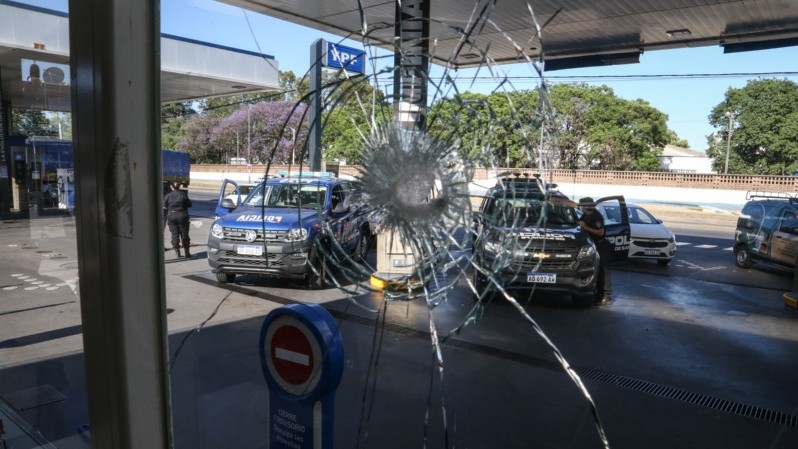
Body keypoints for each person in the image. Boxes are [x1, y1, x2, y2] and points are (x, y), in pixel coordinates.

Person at [577, 197, 613, 305]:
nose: (581, 208)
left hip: (601, 245)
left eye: (582, 206)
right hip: (593, 246)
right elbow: (580, 223)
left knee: (604, 271)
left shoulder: (596, 216)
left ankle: (606, 296)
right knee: (595, 270)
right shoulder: (585, 215)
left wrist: (585, 227)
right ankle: (598, 294)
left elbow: (600, 232)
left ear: (586, 206)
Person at [163, 181, 192, 258]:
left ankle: (177, 252)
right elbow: (189, 204)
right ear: (179, 186)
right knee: (184, 234)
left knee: (174, 234)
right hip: (182, 215)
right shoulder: (183, 195)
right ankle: (187, 253)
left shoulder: (168, 196)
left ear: (172, 187)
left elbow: (164, 206)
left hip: (172, 216)